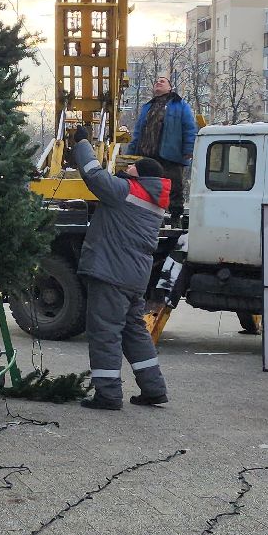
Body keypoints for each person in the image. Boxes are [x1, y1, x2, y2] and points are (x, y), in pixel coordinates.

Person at [68, 129, 170, 410]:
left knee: (104, 332)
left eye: (131, 168)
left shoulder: (125, 192)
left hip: (111, 274)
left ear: (142, 176)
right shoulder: (152, 200)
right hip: (134, 277)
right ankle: (154, 388)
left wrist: (83, 142)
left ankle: (109, 395)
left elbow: (93, 174)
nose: (127, 169)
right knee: (134, 332)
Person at [130, 77, 194, 220]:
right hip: (147, 157)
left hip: (170, 156)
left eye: (162, 81)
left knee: (173, 188)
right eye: (156, 81)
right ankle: (147, 218)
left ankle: (175, 218)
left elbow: (189, 128)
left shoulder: (180, 105)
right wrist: (130, 153)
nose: (158, 82)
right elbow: (138, 132)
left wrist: (188, 150)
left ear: (170, 88)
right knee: (147, 189)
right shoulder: (147, 107)